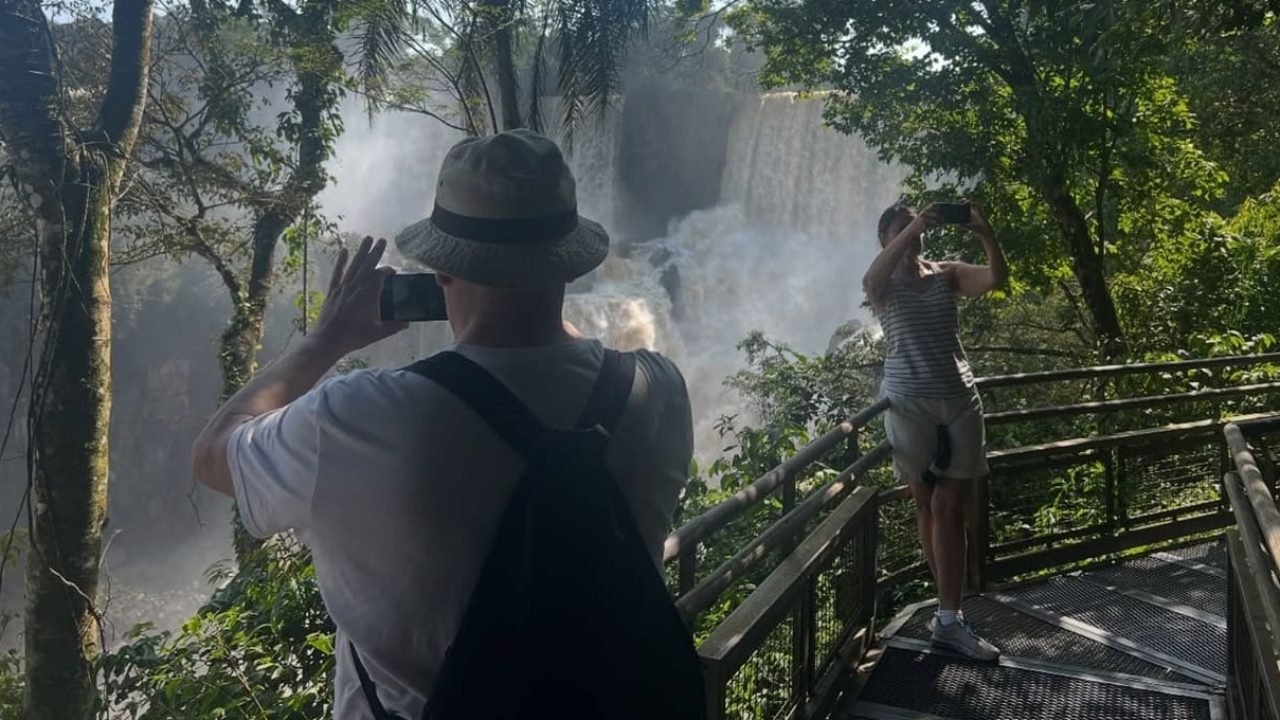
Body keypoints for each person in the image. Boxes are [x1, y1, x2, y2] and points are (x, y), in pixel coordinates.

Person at [192, 130, 700, 718]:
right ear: (565, 260)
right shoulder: (656, 389)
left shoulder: (357, 418)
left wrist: (326, 339)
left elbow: (212, 453)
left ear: (440, 270)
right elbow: (560, 381)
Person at [862, 201, 1009, 661]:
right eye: (900, 228)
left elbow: (995, 278)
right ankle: (948, 613)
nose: (913, 233)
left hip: (960, 400)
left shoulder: (945, 273)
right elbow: (870, 281)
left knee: (950, 504)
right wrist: (913, 227)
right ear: (885, 238)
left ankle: (948, 615)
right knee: (927, 503)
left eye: (916, 227)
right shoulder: (883, 284)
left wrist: (986, 232)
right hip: (909, 404)